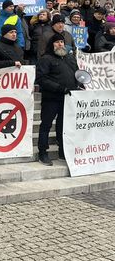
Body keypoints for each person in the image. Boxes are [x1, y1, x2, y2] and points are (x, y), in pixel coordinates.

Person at [36, 34, 81, 165]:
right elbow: (41, 79)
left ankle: (63, 151)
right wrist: (60, 88)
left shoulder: (70, 58)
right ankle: (42, 153)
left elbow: (76, 73)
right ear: (52, 45)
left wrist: (80, 83)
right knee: (46, 125)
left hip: (67, 99)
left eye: (62, 41)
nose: (60, 44)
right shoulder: (46, 59)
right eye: (57, 42)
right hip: (51, 98)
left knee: (63, 126)